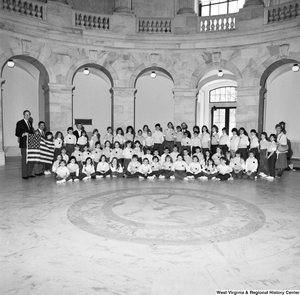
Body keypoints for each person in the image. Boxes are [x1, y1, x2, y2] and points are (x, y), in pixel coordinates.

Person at [15, 110, 35, 179]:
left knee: (30, 159)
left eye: (29, 115)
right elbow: (17, 133)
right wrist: (23, 134)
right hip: (23, 143)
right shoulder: (19, 123)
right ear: (23, 115)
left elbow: (31, 132)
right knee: (24, 159)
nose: (27, 116)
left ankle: (29, 173)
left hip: (30, 143)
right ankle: (24, 175)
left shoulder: (30, 123)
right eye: (26, 114)